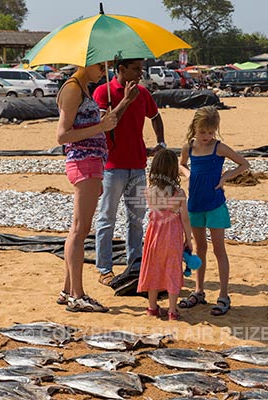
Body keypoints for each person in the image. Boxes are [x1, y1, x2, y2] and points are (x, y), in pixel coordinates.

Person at [92, 58, 165, 287]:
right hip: (112, 166)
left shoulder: (143, 93)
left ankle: (135, 264)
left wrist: (161, 143)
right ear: (121, 69)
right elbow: (105, 123)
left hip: (138, 165)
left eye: (141, 69)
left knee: (136, 219)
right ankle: (104, 269)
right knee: (107, 218)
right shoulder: (103, 92)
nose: (140, 74)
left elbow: (155, 116)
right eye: (135, 69)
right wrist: (125, 100)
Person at [55, 62, 118, 313]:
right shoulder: (72, 89)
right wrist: (100, 127)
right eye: (101, 67)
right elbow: (62, 135)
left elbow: (81, 126)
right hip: (84, 163)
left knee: (79, 228)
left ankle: (67, 290)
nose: (104, 72)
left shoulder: (82, 87)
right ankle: (77, 295)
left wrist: (102, 123)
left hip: (90, 162)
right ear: (87, 62)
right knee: (80, 230)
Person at [178, 106, 250, 316]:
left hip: (216, 205)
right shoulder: (189, 147)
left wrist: (226, 176)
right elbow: (180, 165)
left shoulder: (219, 148)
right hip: (195, 205)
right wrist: (188, 174)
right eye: (203, 132)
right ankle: (199, 291)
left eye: (211, 132)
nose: (207, 136)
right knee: (199, 248)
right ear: (195, 128)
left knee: (219, 250)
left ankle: (224, 294)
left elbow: (244, 164)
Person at [137, 149, 193, 321]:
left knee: (153, 269)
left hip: (154, 235)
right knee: (172, 271)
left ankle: (152, 307)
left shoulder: (149, 191)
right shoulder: (179, 194)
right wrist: (188, 241)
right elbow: (185, 220)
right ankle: (172, 310)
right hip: (172, 236)